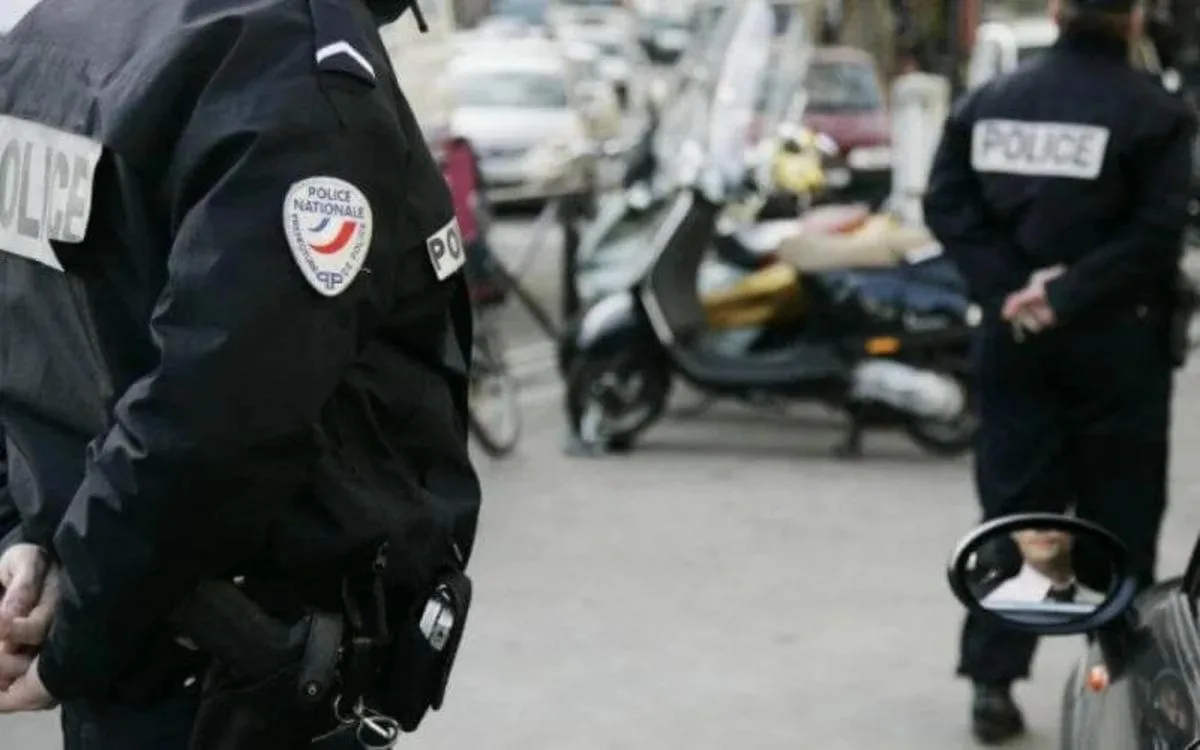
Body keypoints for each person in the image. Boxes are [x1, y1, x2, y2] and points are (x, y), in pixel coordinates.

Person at [0, 0, 482, 747]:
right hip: (233, 666)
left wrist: (20, 539)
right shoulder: (293, 61)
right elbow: (218, 415)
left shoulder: (51, 32)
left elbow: (33, 333)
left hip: (135, 637)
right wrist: (80, 632)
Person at [922, 0, 1197, 742]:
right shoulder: (1156, 112)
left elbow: (946, 204)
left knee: (1016, 513)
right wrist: (1067, 294)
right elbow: (1157, 231)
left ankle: (992, 686)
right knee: (1122, 519)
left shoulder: (990, 102)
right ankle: (1128, 686)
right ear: (1132, 18)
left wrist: (1013, 289)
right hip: (1118, 346)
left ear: (1056, 11)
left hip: (1015, 340)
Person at [979, 529, 1106, 606]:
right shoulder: (994, 603)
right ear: (1014, 535)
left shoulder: (1102, 603)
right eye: (1027, 523)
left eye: (1054, 520)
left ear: (1073, 534)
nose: (1040, 530)